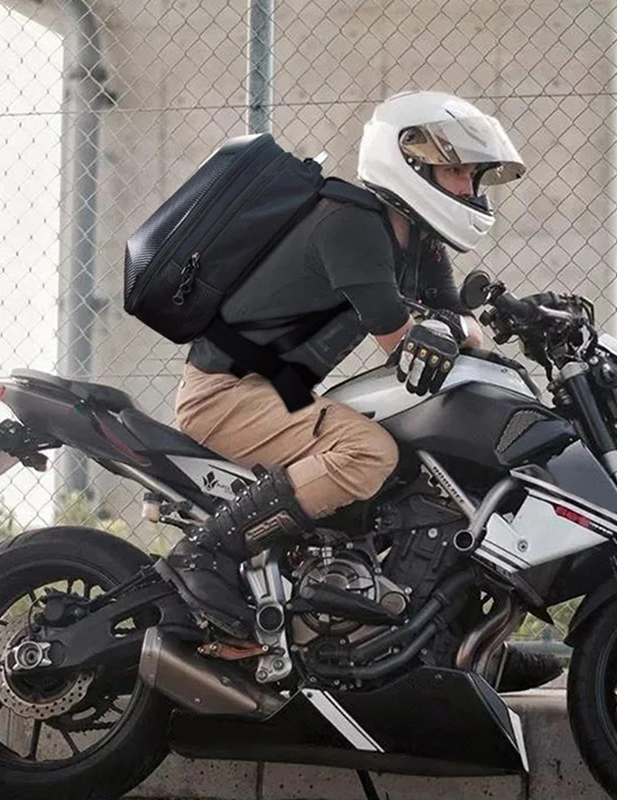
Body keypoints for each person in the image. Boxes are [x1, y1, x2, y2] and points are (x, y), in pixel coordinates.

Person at [159, 90, 560, 691]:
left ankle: (454, 637)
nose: (469, 189)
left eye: (474, 177)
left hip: (280, 388)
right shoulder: (352, 223)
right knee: (368, 452)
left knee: (437, 472)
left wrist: (503, 326)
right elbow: (401, 338)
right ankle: (204, 552)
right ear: (410, 162)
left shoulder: (418, 242)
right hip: (227, 393)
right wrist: (453, 329)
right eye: (457, 172)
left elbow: (456, 324)